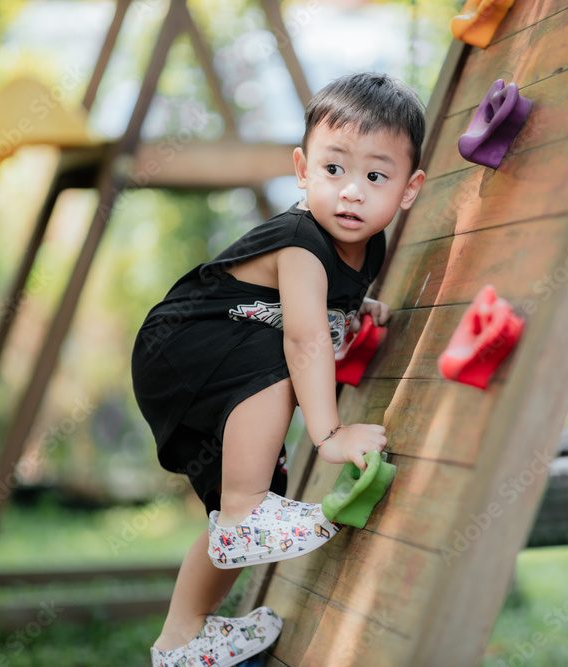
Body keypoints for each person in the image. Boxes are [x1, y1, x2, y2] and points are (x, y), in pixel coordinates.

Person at [131, 72, 426, 667]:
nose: (351, 193)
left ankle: (181, 639)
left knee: (257, 502)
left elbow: (315, 309)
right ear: (302, 169)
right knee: (279, 366)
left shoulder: (369, 243)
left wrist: (354, 310)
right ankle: (244, 508)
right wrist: (330, 435)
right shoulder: (300, 239)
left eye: (376, 176)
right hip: (184, 345)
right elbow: (304, 335)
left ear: (409, 189)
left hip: (227, 346)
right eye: (334, 169)